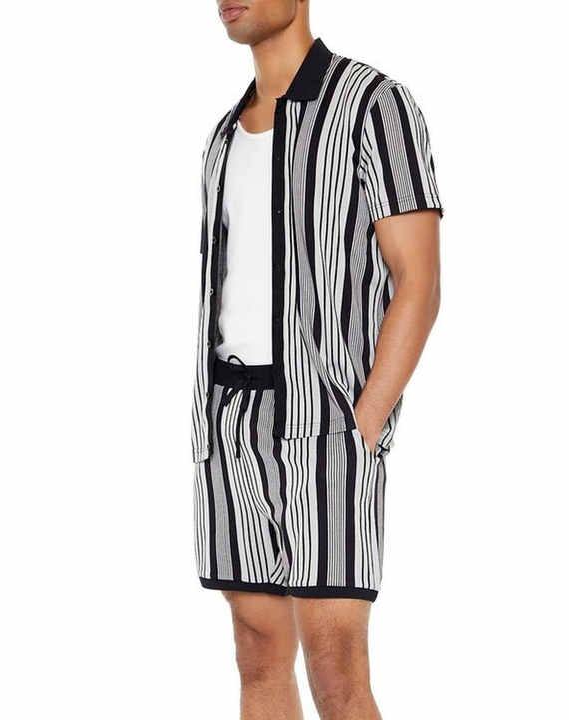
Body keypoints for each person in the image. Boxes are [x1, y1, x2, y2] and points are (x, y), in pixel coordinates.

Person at [191, 2, 442, 717]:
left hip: (327, 422)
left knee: (335, 665)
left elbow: (419, 281)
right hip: (229, 420)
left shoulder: (372, 104)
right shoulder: (223, 135)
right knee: (256, 653)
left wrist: (365, 421)